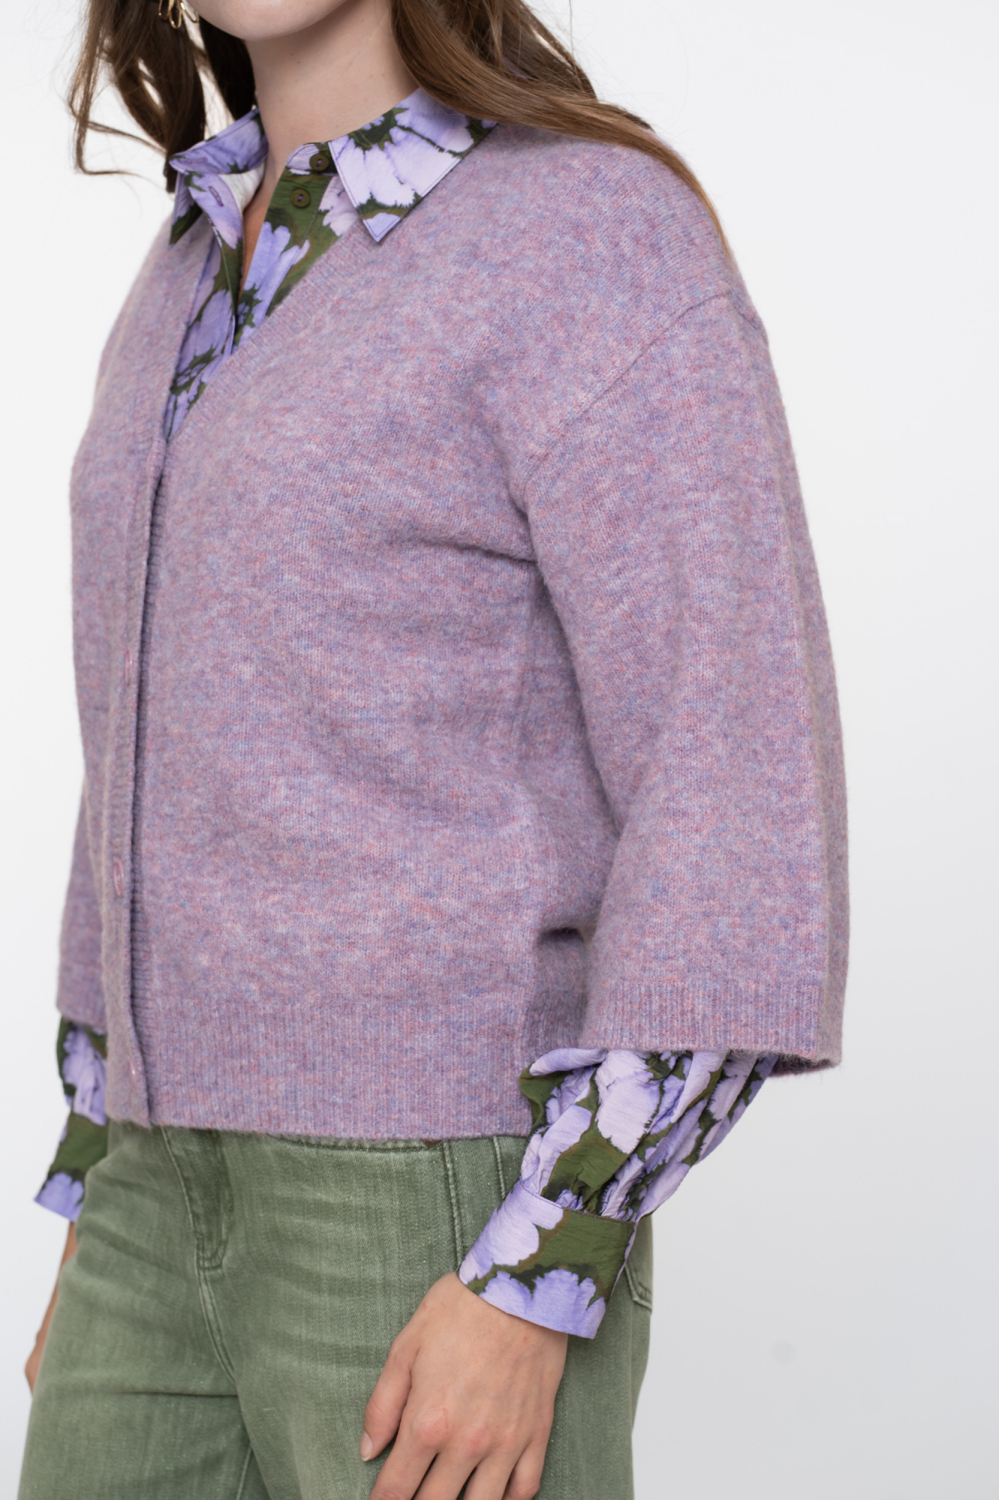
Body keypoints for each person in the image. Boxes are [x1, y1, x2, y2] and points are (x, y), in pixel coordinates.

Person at [18, 0, 848, 1492]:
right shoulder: (197, 254)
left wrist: (546, 1260)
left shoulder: (586, 229)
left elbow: (733, 774)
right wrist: (99, 1166)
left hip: (435, 1201)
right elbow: (143, 729)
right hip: (151, 1186)